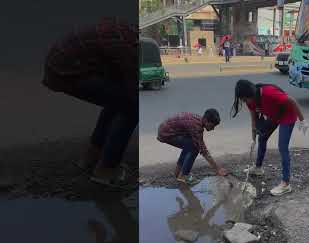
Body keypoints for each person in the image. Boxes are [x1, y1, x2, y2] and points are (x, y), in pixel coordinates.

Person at [42, 17, 138, 189]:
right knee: (131, 108)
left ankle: (90, 159)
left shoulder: (128, 33)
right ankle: (106, 171)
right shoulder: (126, 48)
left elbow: (118, 77)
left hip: (66, 63)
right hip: (65, 72)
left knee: (116, 101)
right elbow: (131, 89)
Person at [231, 80, 306, 196]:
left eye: (245, 99)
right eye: (243, 100)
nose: (245, 102)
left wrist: (302, 120)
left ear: (250, 94)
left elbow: (292, 100)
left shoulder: (268, 93)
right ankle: (258, 168)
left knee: (282, 147)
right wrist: (253, 139)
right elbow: (254, 120)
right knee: (262, 138)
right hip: (274, 115)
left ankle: (286, 184)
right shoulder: (250, 101)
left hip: (287, 114)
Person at [157, 109, 228, 185]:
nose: (213, 129)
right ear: (206, 120)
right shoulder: (196, 127)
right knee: (194, 147)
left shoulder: (198, 120)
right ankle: (182, 177)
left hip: (166, 130)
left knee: (190, 144)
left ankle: (178, 173)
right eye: (212, 126)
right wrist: (217, 169)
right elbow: (204, 151)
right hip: (166, 134)